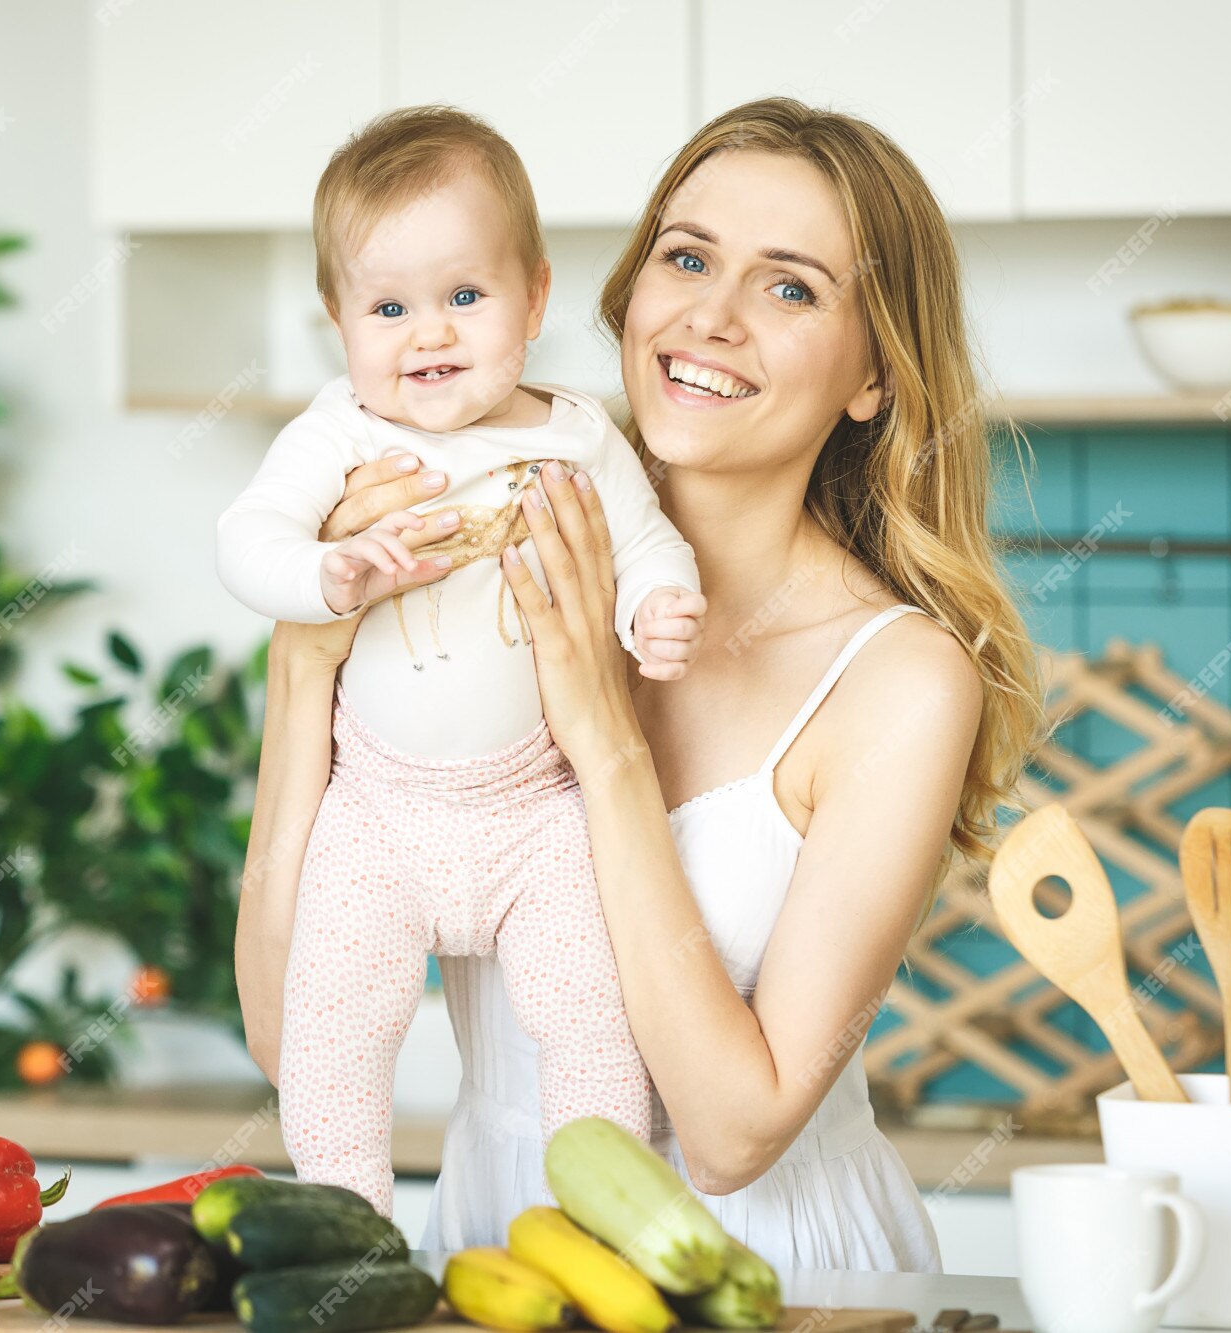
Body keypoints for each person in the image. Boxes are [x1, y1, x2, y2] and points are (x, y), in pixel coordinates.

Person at [235, 96, 1045, 1290]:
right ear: (619, 293)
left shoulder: (897, 681)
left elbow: (729, 1133)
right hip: (491, 1260)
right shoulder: (466, 555)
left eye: (789, 288)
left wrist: (604, 742)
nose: (709, 318)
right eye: (686, 257)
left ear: (873, 372)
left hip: (775, 1278)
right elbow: (279, 1030)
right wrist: (307, 658)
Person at [215, 105, 705, 1216]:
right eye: (387, 307)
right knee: (333, 1022)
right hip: (378, 807)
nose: (426, 334)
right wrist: (319, 576)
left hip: (538, 809)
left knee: (591, 1013)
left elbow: (641, 540)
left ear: (533, 298)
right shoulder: (340, 434)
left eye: (463, 297)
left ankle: (596, 1222)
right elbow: (245, 536)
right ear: (337, 322)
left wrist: (657, 605)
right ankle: (347, 1219)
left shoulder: (578, 434)